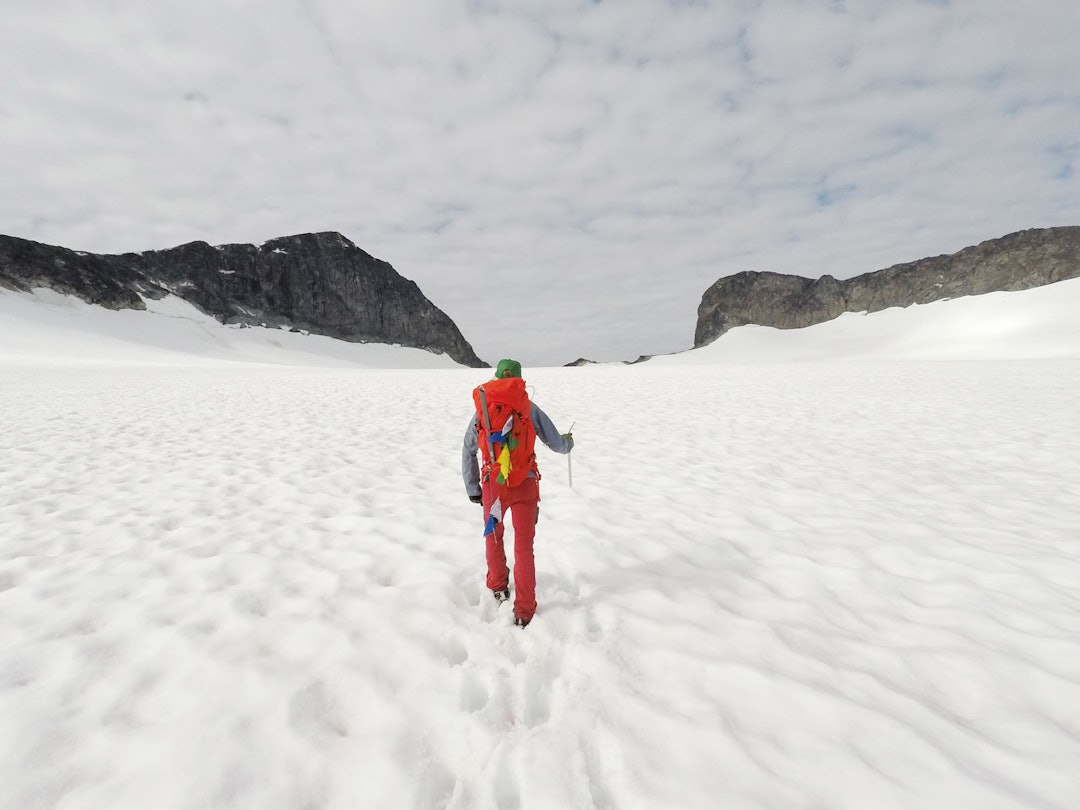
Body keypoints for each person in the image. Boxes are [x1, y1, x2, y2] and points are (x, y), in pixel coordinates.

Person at [462, 358, 574, 627]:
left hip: (494, 486)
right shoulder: (529, 407)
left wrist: (473, 488)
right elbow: (557, 444)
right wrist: (569, 442)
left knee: (494, 535)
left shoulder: (483, 411)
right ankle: (524, 610)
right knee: (524, 546)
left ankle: (498, 586)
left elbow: (468, 449)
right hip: (526, 483)